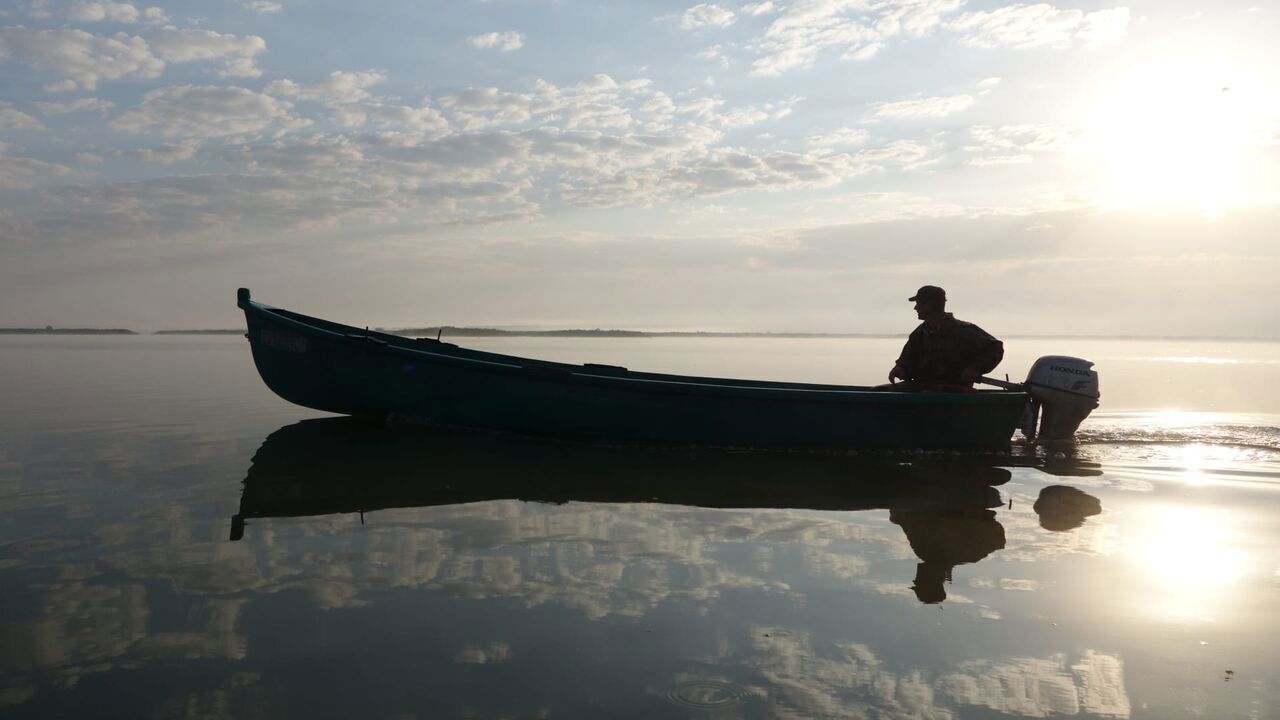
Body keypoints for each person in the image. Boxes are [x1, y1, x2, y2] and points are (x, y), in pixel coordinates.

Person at [887, 285, 1003, 389]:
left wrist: (975, 369)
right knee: (879, 391)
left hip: (955, 394)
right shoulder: (918, 334)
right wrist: (900, 368)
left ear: (931, 305)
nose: (915, 308)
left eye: (919, 304)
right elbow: (906, 360)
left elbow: (995, 348)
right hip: (923, 391)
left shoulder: (964, 330)